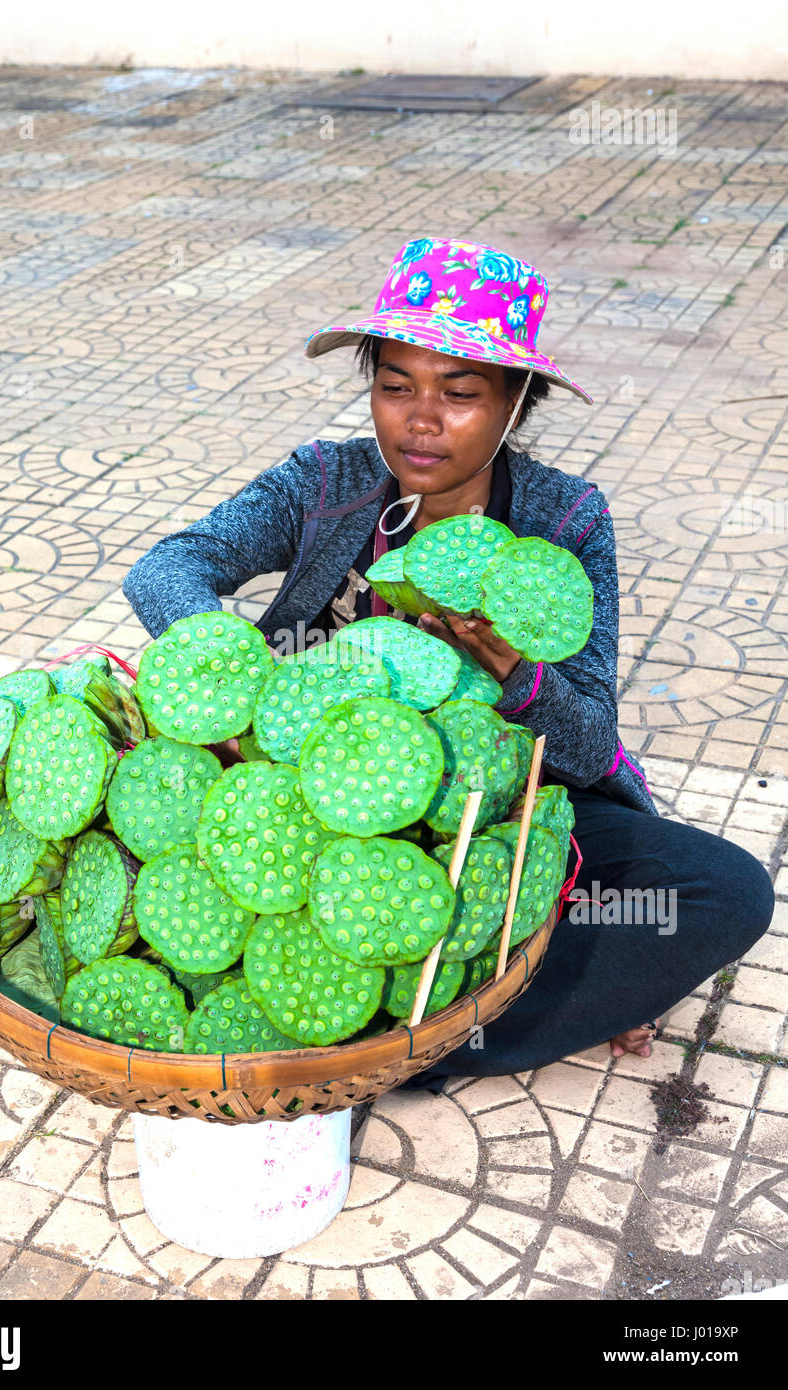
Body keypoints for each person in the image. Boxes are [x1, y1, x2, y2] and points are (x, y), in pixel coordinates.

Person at [123, 237, 775, 1080]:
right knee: (164, 854)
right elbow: (165, 568)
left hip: (491, 808)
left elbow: (582, 744)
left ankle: (405, 1049)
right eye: (394, 387)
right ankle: (441, 1005)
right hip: (298, 799)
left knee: (720, 894)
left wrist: (518, 673)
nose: (419, 419)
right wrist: (248, 682)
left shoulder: (563, 521)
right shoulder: (326, 481)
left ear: (514, 405)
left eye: (459, 394)